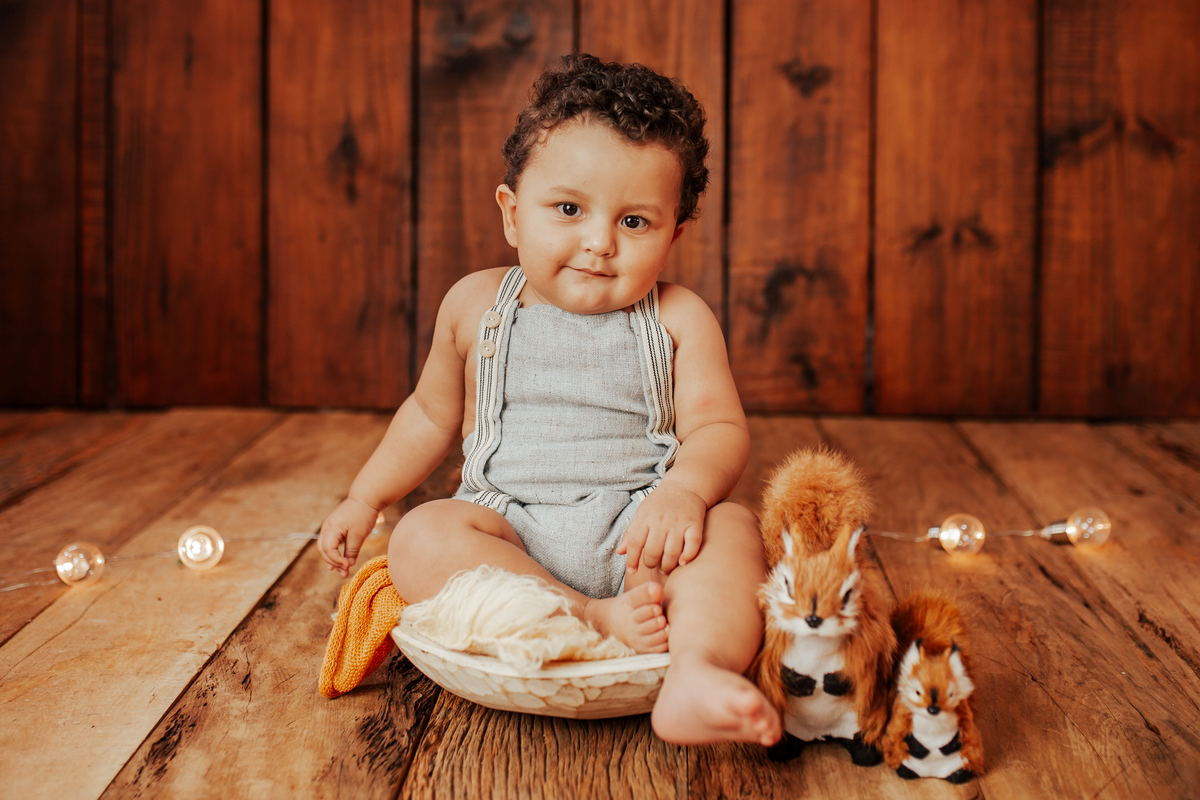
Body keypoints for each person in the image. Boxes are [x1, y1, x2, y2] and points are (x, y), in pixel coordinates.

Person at [317, 53, 780, 747]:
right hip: (507, 530)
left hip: (641, 536)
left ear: (674, 235)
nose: (598, 243)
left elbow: (718, 425)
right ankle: (588, 619)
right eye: (568, 209)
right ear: (512, 214)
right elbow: (429, 414)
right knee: (419, 537)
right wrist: (364, 498)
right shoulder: (475, 305)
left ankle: (697, 671)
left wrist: (684, 493)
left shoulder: (678, 317)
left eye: (635, 223)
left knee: (736, 528)